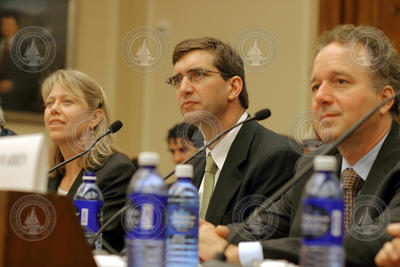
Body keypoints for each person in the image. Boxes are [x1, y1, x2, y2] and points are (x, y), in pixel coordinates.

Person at [198, 24, 400, 267]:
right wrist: (218, 235)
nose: (321, 97)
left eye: (340, 81)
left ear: (385, 99)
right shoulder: (312, 165)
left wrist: (234, 253)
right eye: (316, 86)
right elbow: (263, 226)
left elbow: (367, 244)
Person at [167, 37, 300, 226]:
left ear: (233, 87)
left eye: (197, 75)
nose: (184, 88)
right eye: (177, 79)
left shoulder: (275, 157)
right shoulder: (197, 164)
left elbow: (257, 240)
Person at [43, 69, 135, 253]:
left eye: (67, 101)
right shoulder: (49, 177)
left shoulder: (116, 171)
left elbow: (94, 244)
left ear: (95, 117)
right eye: (49, 103)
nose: (54, 109)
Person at [0, 10, 40, 112]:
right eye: (3, 24)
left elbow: (33, 78)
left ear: (17, 26)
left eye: (10, 24)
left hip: (17, 103)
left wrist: (12, 85)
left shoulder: (28, 47)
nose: (6, 28)